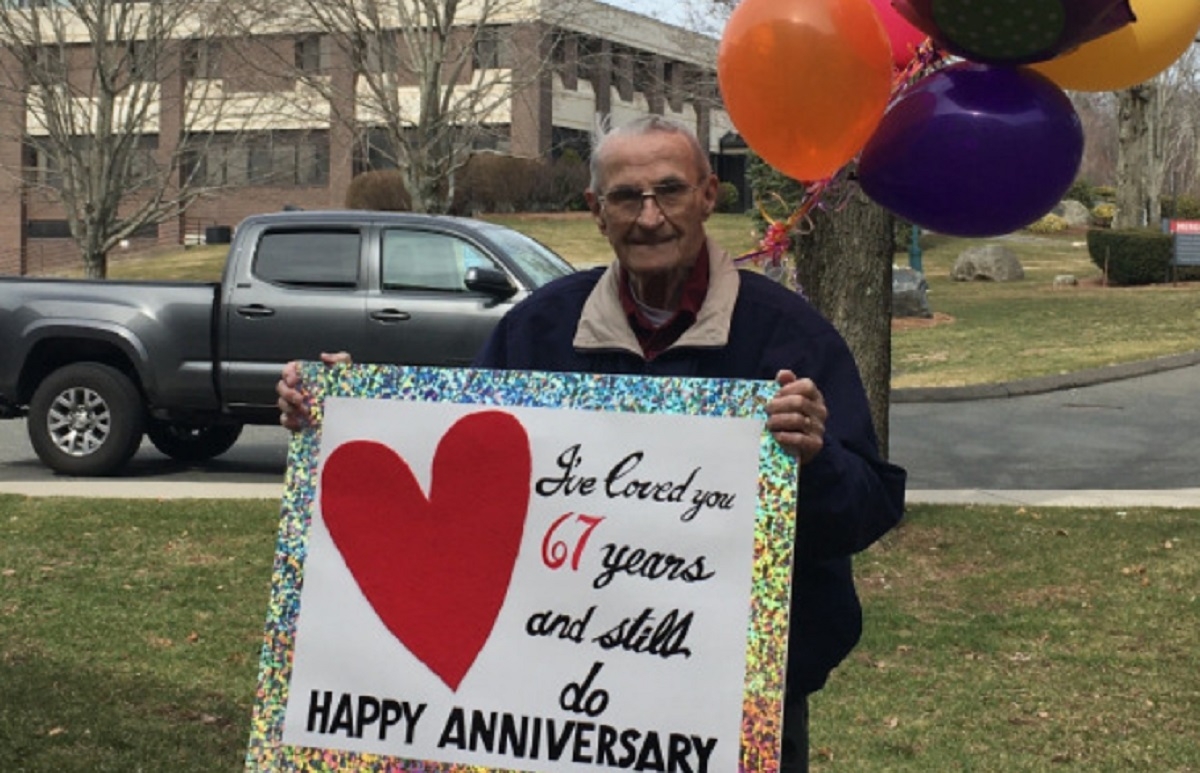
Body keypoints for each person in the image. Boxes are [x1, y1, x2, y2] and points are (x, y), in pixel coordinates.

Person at [277, 115, 906, 772]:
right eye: (626, 197)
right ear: (595, 212)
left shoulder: (789, 339)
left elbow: (866, 512)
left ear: (709, 196)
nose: (651, 216)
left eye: (670, 191)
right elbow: (459, 477)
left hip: (735, 705)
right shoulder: (537, 331)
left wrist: (815, 459)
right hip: (559, 703)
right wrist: (341, 413)